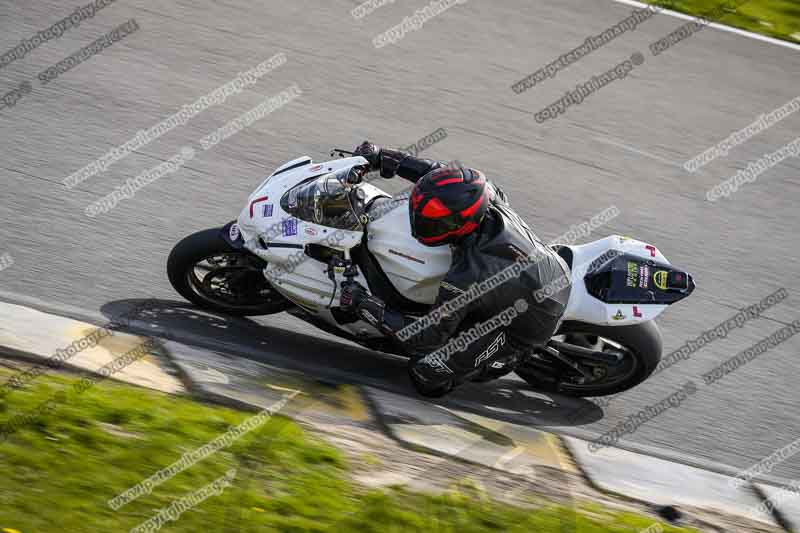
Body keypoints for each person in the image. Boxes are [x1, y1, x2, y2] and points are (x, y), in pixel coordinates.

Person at [340, 141, 571, 397]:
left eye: (432, 223)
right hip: (544, 270)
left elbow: (424, 339)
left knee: (426, 372)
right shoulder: (484, 193)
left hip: (530, 321)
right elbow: (437, 177)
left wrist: (363, 303)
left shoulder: (468, 275)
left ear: (459, 225)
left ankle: (506, 359)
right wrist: (384, 157)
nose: (420, 223)